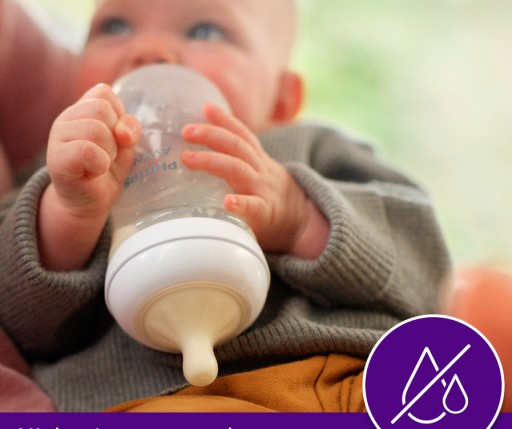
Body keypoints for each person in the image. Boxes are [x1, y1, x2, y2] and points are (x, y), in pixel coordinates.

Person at [0, 0, 451, 412]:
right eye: (114, 26)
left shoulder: (307, 151)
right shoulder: (71, 172)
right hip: (162, 402)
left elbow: (424, 271)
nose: (149, 50)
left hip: (342, 382)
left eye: (204, 31)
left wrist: (299, 218)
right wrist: (70, 213)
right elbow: (20, 322)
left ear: (281, 100)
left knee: (457, 350)